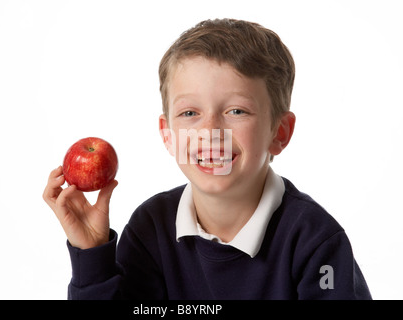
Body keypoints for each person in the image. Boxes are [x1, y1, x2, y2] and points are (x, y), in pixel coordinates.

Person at [43, 18, 372, 299]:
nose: (210, 131)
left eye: (236, 111)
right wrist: (92, 254)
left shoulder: (315, 241)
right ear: (168, 135)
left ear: (279, 133)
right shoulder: (151, 228)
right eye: (189, 113)